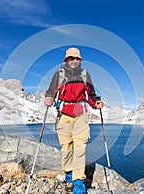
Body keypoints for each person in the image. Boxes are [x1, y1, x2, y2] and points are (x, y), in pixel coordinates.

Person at [44, 47, 103, 194]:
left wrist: (96, 104)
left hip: (80, 115)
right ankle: (68, 175)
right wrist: (49, 98)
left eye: (77, 58)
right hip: (63, 115)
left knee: (79, 148)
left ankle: (78, 183)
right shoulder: (58, 75)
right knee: (66, 147)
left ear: (80, 60)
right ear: (66, 60)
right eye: (71, 58)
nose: (74, 61)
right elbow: (51, 91)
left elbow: (91, 95)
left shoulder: (85, 75)